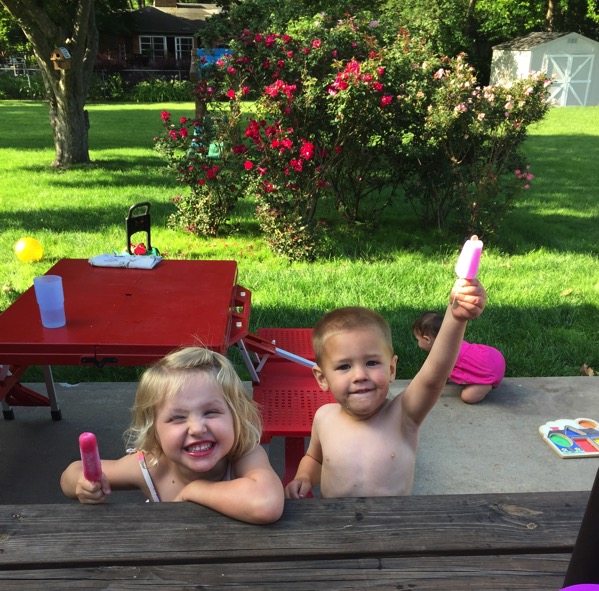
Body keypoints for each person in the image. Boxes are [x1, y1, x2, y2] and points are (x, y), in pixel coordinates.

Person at [284, 278, 486, 499]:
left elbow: (434, 377)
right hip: (336, 520)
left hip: (391, 520)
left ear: (391, 369)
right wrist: (304, 477)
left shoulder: (403, 414)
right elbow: (315, 459)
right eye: (344, 366)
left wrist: (455, 318)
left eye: (372, 363)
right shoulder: (324, 417)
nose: (360, 375)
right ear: (322, 378)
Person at [61, 347, 284, 524]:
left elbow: (266, 504)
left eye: (211, 412)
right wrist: (83, 484)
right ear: (154, 431)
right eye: (177, 417)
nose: (197, 428)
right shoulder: (152, 465)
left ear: (236, 417)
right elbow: (72, 473)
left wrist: (195, 490)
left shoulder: (245, 455)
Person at [413, 311, 505, 404]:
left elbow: (434, 379)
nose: (418, 343)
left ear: (427, 339)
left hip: (489, 372)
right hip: (494, 357)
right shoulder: (454, 342)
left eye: (418, 339)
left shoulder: (443, 356)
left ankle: (486, 384)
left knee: (468, 397)